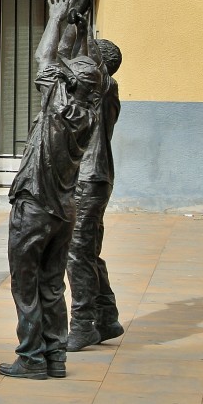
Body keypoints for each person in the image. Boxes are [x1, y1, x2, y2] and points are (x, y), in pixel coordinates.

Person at [0, 0, 104, 381]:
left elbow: (46, 57)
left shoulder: (59, 105)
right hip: (65, 211)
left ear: (67, 83)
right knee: (52, 284)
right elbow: (77, 63)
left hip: (35, 207)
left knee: (26, 287)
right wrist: (81, 22)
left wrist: (58, 17)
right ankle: (55, 357)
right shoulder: (89, 110)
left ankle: (30, 357)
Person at [65, 39, 124, 352]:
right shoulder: (100, 91)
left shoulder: (102, 89)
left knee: (76, 252)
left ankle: (84, 323)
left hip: (89, 178)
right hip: (90, 177)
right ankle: (107, 316)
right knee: (86, 250)